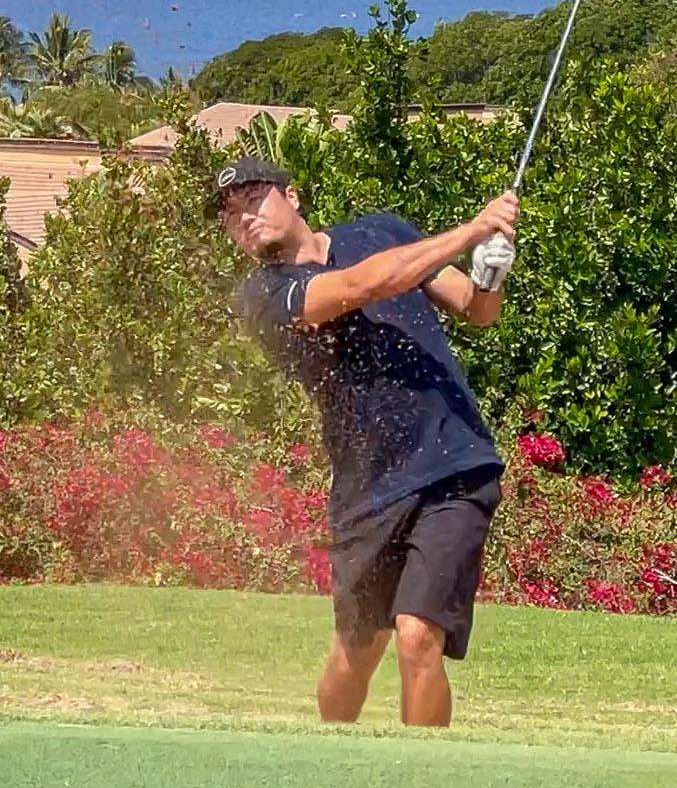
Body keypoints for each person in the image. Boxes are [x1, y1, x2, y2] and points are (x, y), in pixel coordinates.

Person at [212, 155, 518, 728]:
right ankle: (330, 762)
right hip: (367, 490)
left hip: (454, 464)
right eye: (231, 215)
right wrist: (473, 229)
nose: (245, 218)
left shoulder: (383, 232)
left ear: (292, 196)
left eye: (254, 198)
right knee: (355, 656)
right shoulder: (263, 297)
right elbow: (367, 283)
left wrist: (491, 270)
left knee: (417, 636)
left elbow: (477, 311)